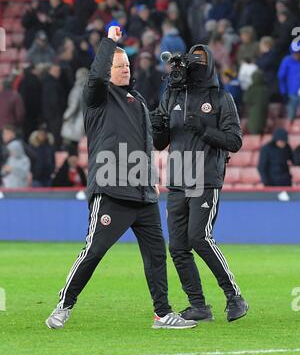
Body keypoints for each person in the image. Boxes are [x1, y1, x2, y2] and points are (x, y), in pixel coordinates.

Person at [45, 26, 196, 330]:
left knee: (156, 256)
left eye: (127, 65)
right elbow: (95, 77)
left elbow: (147, 144)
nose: (125, 69)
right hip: (111, 190)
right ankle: (64, 305)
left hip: (143, 194)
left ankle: (162, 313)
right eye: (119, 65)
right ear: (106, 70)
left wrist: (151, 176)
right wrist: (109, 42)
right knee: (94, 251)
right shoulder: (97, 99)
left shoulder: (137, 101)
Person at [150, 44, 249, 322]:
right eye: (192, 59)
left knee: (199, 238)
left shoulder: (221, 98)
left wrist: (204, 130)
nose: (194, 64)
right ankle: (199, 306)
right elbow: (160, 143)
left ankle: (234, 297)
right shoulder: (171, 94)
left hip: (205, 179)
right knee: (178, 247)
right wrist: (157, 126)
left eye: (200, 59)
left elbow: (235, 141)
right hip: (177, 181)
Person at [278, 44, 300, 124]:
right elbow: (281, 77)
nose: (296, 55)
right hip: (291, 93)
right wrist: (283, 92)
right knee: (291, 117)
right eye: (294, 53)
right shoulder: (287, 60)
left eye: (298, 53)